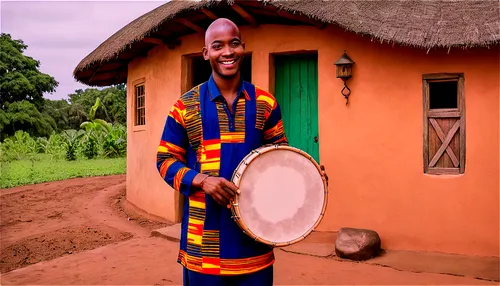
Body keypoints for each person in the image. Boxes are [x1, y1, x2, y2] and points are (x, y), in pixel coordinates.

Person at [156, 18, 288, 286]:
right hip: (203, 244)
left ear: (243, 48)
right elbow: (164, 161)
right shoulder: (185, 106)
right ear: (206, 53)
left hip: (254, 241)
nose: (227, 52)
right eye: (218, 46)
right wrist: (203, 181)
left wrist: (308, 175)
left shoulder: (265, 103)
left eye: (234, 44)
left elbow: (280, 158)